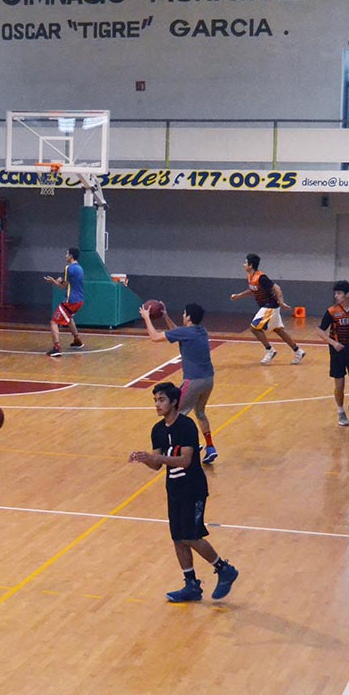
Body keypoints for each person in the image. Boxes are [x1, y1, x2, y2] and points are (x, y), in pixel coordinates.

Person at [129, 382, 239, 603]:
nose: (157, 405)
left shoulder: (187, 426)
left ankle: (224, 569)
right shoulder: (157, 430)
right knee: (178, 538)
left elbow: (186, 461)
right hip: (174, 489)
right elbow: (156, 465)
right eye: (155, 401)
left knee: (191, 535)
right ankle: (191, 585)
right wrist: (145, 459)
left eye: (161, 400)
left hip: (193, 488)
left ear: (174, 402)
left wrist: (158, 458)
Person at [139, 302, 219, 464]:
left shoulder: (186, 332)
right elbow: (177, 332)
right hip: (208, 379)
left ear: (188, 317)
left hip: (193, 380)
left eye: (184, 313)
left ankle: (189, 446)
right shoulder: (201, 330)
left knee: (174, 414)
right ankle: (210, 448)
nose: (182, 316)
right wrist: (166, 316)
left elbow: (154, 337)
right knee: (200, 412)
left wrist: (147, 318)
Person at [228, 253, 305, 365]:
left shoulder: (261, 277)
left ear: (250, 265)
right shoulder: (250, 277)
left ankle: (270, 350)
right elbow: (252, 290)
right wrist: (238, 296)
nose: (243, 264)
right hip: (267, 306)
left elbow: (277, 288)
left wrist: (282, 302)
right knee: (279, 330)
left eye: (245, 262)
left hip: (270, 305)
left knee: (254, 328)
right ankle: (298, 351)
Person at [316, 280, 349, 427]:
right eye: (335, 293)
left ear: (347, 294)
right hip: (337, 350)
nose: (336, 296)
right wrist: (333, 343)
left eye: (339, 293)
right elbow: (319, 330)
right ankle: (340, 411)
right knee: (339, 385)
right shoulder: (331, 311)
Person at [43, 247, 85, 357]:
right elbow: (71, 282)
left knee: (54, 322)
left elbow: (63, 286)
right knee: (69, 318)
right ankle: (77, 340)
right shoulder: (80, 268)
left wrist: (53, 281)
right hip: (79, 300)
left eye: (67, 254)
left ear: (71, 256)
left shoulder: (68, 268)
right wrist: (62, 281)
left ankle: (57, 348)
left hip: (70, 300)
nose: (65, 256)